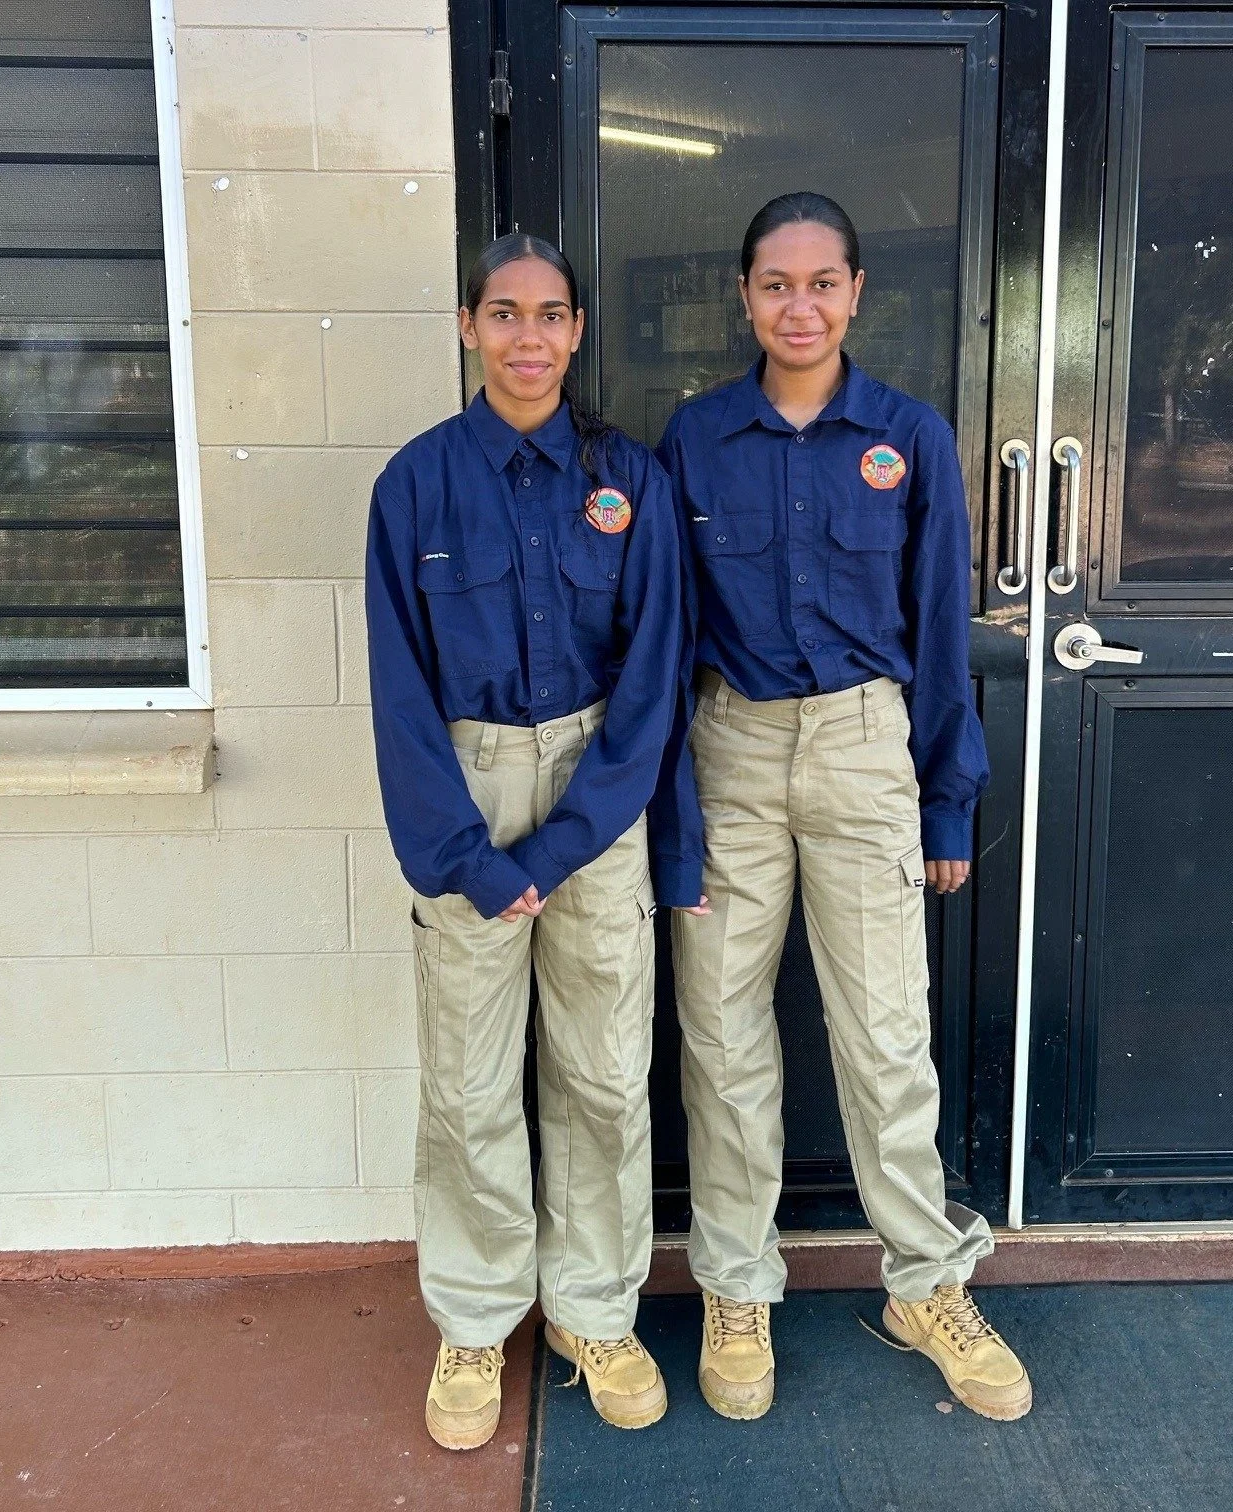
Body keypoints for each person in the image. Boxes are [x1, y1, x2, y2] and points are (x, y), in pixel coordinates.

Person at [654, 192, 1032, 1424]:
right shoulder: (696, 437)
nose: (799, 305)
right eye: (775, 283)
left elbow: (939, 632)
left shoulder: (909, 438)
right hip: (731, 751)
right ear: (745, 296)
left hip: (869, 750)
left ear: (858, 293)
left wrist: (947, 804)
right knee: (721, 1040)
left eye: (822, 282)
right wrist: (674, 809)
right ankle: (737, 1287)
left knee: (884, 1040)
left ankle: (925, 1282)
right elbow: (664, 636)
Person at [366, 233, 693, 1448]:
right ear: (467, 327)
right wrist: (467, 854)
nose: (528, 339)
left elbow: (655, 677)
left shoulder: (629, 479)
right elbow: (398, 691)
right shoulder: (415, 485)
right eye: (503, 314)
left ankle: (595, 1309)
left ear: (579, 329)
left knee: (606, 1074)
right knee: (466, 1082)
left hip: (598, 792)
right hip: (467, 787)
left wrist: (563, 847)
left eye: (551, 315)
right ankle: (474, 1313)